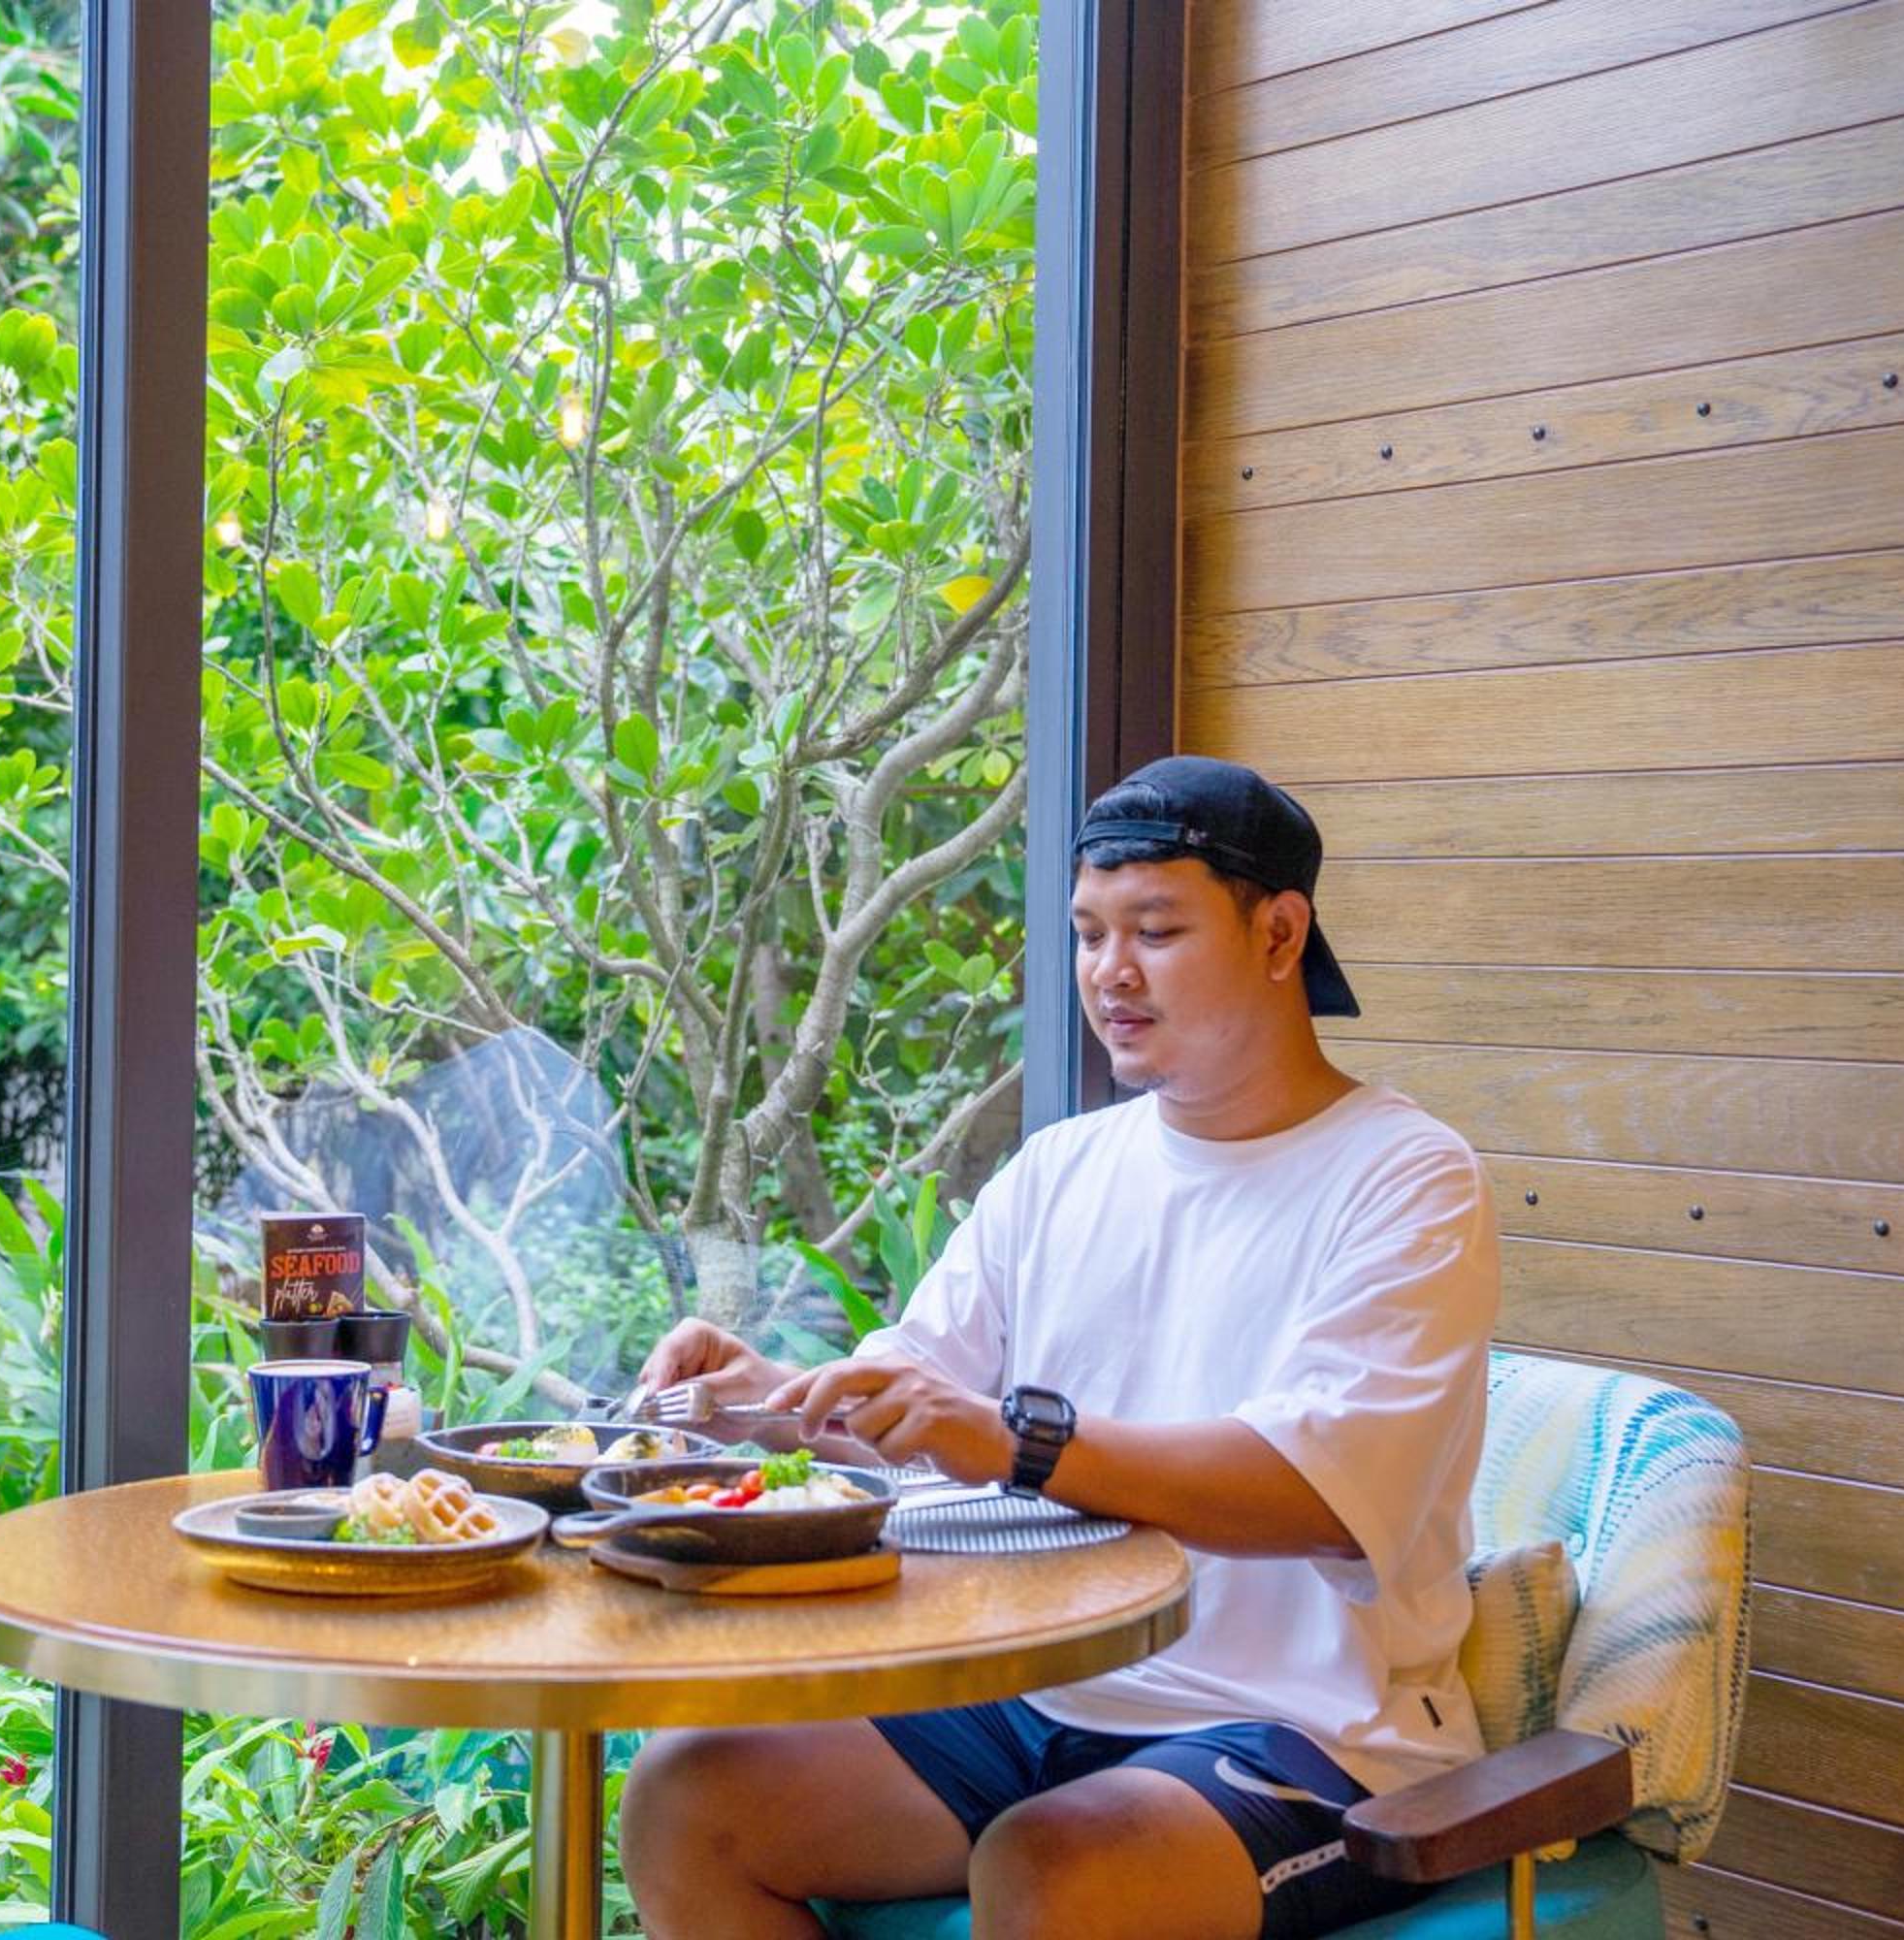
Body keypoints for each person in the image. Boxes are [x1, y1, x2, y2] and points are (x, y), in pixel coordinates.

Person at [619, 756, 1500, 1940]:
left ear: (1280, 933)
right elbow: (917, 1399)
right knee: (687, 1794)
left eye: (1156, 930)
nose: (1109, 971)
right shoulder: (1061, 1169)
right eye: (1088, 933)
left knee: (1053, 1870)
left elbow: (1320, 1495)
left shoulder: (1406, 1174)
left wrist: (1017, 1441)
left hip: (1300, 1725)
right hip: (1036, 1687)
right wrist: (774, 1398)